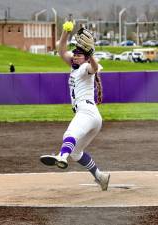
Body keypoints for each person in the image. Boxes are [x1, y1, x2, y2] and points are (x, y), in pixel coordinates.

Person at [40, 25, 110, 191]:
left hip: (87, 112)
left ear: (85, 58)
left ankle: (62, 156)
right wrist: (65, 32)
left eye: (78, 54)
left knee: (69, 134)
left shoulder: (86, 67)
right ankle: (100, 177)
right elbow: (61, 51)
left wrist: (91, 55)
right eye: (75, 54)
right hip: (92, 117)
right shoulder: (74, 66)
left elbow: (93, 67)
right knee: (77, 153)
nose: (75, 56)